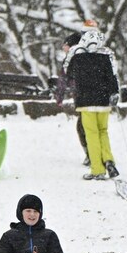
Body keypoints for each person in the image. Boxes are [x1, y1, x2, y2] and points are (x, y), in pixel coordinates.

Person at [65, 20, 120, 180]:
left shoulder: (78, 58)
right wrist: (114, 93)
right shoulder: (105, 57)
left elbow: (68, 74)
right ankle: (109, 160)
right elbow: (112, 78)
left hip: (86, 102)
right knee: (103, 132)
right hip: (103, 102)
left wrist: (75, 52)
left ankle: (97, 169)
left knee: (92, 134)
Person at [54, 32, 89, 166]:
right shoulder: (89, 57)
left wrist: (59, 97)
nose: (63, 48)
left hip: (82, 98)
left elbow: (63, 80)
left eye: (65, 45)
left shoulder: (70, 60)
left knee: (82, 127)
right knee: (90, 127)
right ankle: (95, 154)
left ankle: (91, 155)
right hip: (95, 97)